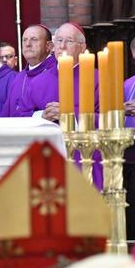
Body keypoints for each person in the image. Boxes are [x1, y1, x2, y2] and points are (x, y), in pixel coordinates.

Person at [42, 22, 102, 188]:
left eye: (68, 41)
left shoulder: (99, 79)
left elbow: (108, 119)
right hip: (46, 156)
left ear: (82, 48)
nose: (62, 46)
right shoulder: (38, 80)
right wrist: (41, 116)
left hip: (84, 157)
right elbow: (22, 115)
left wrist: (71, 115)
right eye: (58, 40)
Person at [1, 24, 56, 117]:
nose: (28, 44)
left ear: (49, 46)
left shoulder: (57, 73)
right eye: (24, 40)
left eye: (34, 39)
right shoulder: (19, 77)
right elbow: (6, 114)